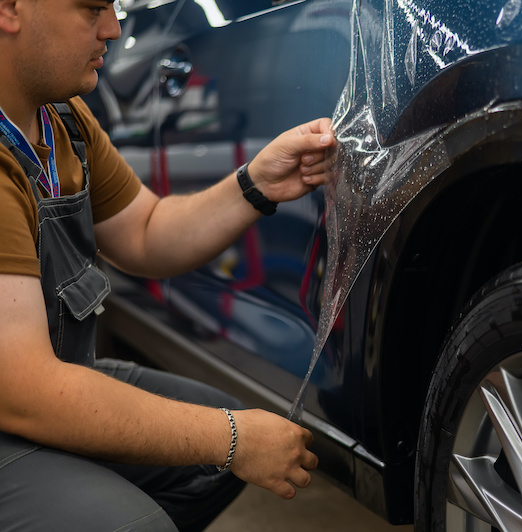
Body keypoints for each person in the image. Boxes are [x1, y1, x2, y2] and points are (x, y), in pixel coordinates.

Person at [0, 0, 335, 530]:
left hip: (45, 380)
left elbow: (145, 232)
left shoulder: (60, 119)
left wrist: (257, 184)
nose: (114, 27)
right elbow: (27, 389)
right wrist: (232, 438)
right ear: (11, 9)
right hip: (19, 399)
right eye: (91, 8)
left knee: (206, 460)